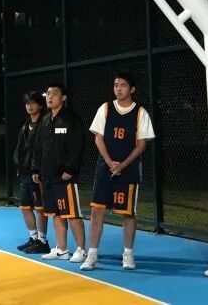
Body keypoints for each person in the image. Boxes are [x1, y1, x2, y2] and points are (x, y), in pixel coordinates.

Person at [81, 73, 155, 271]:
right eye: (115, 85)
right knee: (97, 210)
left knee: (127, 213)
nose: (118, 88)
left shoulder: (140, 113)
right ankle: (92, 254)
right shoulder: (105, 108)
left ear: (132, 89)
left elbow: (141, 144)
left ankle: (128, 254)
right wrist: (109, 161)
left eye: (123, 85)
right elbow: (98, 138)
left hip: (129, 170)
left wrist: (123, 164)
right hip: (105, 168)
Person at [31, 84, 87, 264]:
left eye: (54, 94)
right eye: (48, 94)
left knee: (72, 213)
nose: (49, 97)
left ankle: (81, 250)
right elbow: (38, 147)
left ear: (63, 98)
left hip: (65, 176)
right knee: (56, 213)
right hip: (48, 176)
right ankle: (62, 249)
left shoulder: (71, 119)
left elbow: (77, 145)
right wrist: (36, 168)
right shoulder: (45, 120)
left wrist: (70, 169)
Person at [14, 91, 50, 254]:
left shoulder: (44, 124)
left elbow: (44, 149)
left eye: (33, 103)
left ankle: (42, 241)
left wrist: (38, 169)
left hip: (37, 172)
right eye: (27, 103)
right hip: (24, 171)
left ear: (40, 105)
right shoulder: (25, 125)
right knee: (24, 206)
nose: (29, 106)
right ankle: (33, 238)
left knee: (40, 208)